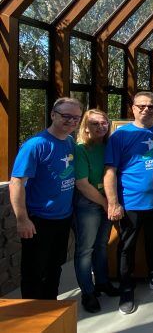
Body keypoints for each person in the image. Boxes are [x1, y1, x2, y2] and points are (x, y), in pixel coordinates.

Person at [9, 97, 83, 299]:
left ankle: (51, 311)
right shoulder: (35, 145)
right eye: (66, 116)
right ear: (53, 115)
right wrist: (22, 219)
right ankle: (32, 317)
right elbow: (16, 182)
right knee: (34, 273)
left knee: (54, 268)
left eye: (76, 117)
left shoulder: (69, 142)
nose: (71, 121)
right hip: (38, 220)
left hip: (62, 218)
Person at [105, 91, 153, 315]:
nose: (146, 110)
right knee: (127, 248)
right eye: (141, 106)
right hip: (130, 203)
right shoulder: (120, 136)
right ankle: (126, 289)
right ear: (132, 108)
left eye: (151, 106)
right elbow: (110, 171)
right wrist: (113, 203)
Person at [73, 109, 119, 313]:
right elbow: (82, 184)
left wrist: (109, 202)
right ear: (85, 126)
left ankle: (102, 282)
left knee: (101, 245)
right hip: (89, 204)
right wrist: (106, 203)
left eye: (104, 123)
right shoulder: (81, 149)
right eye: (94, 123)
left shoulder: (109, 146)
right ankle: (88, 292)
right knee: (85, 250)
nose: (100, 127)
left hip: (106, 202)